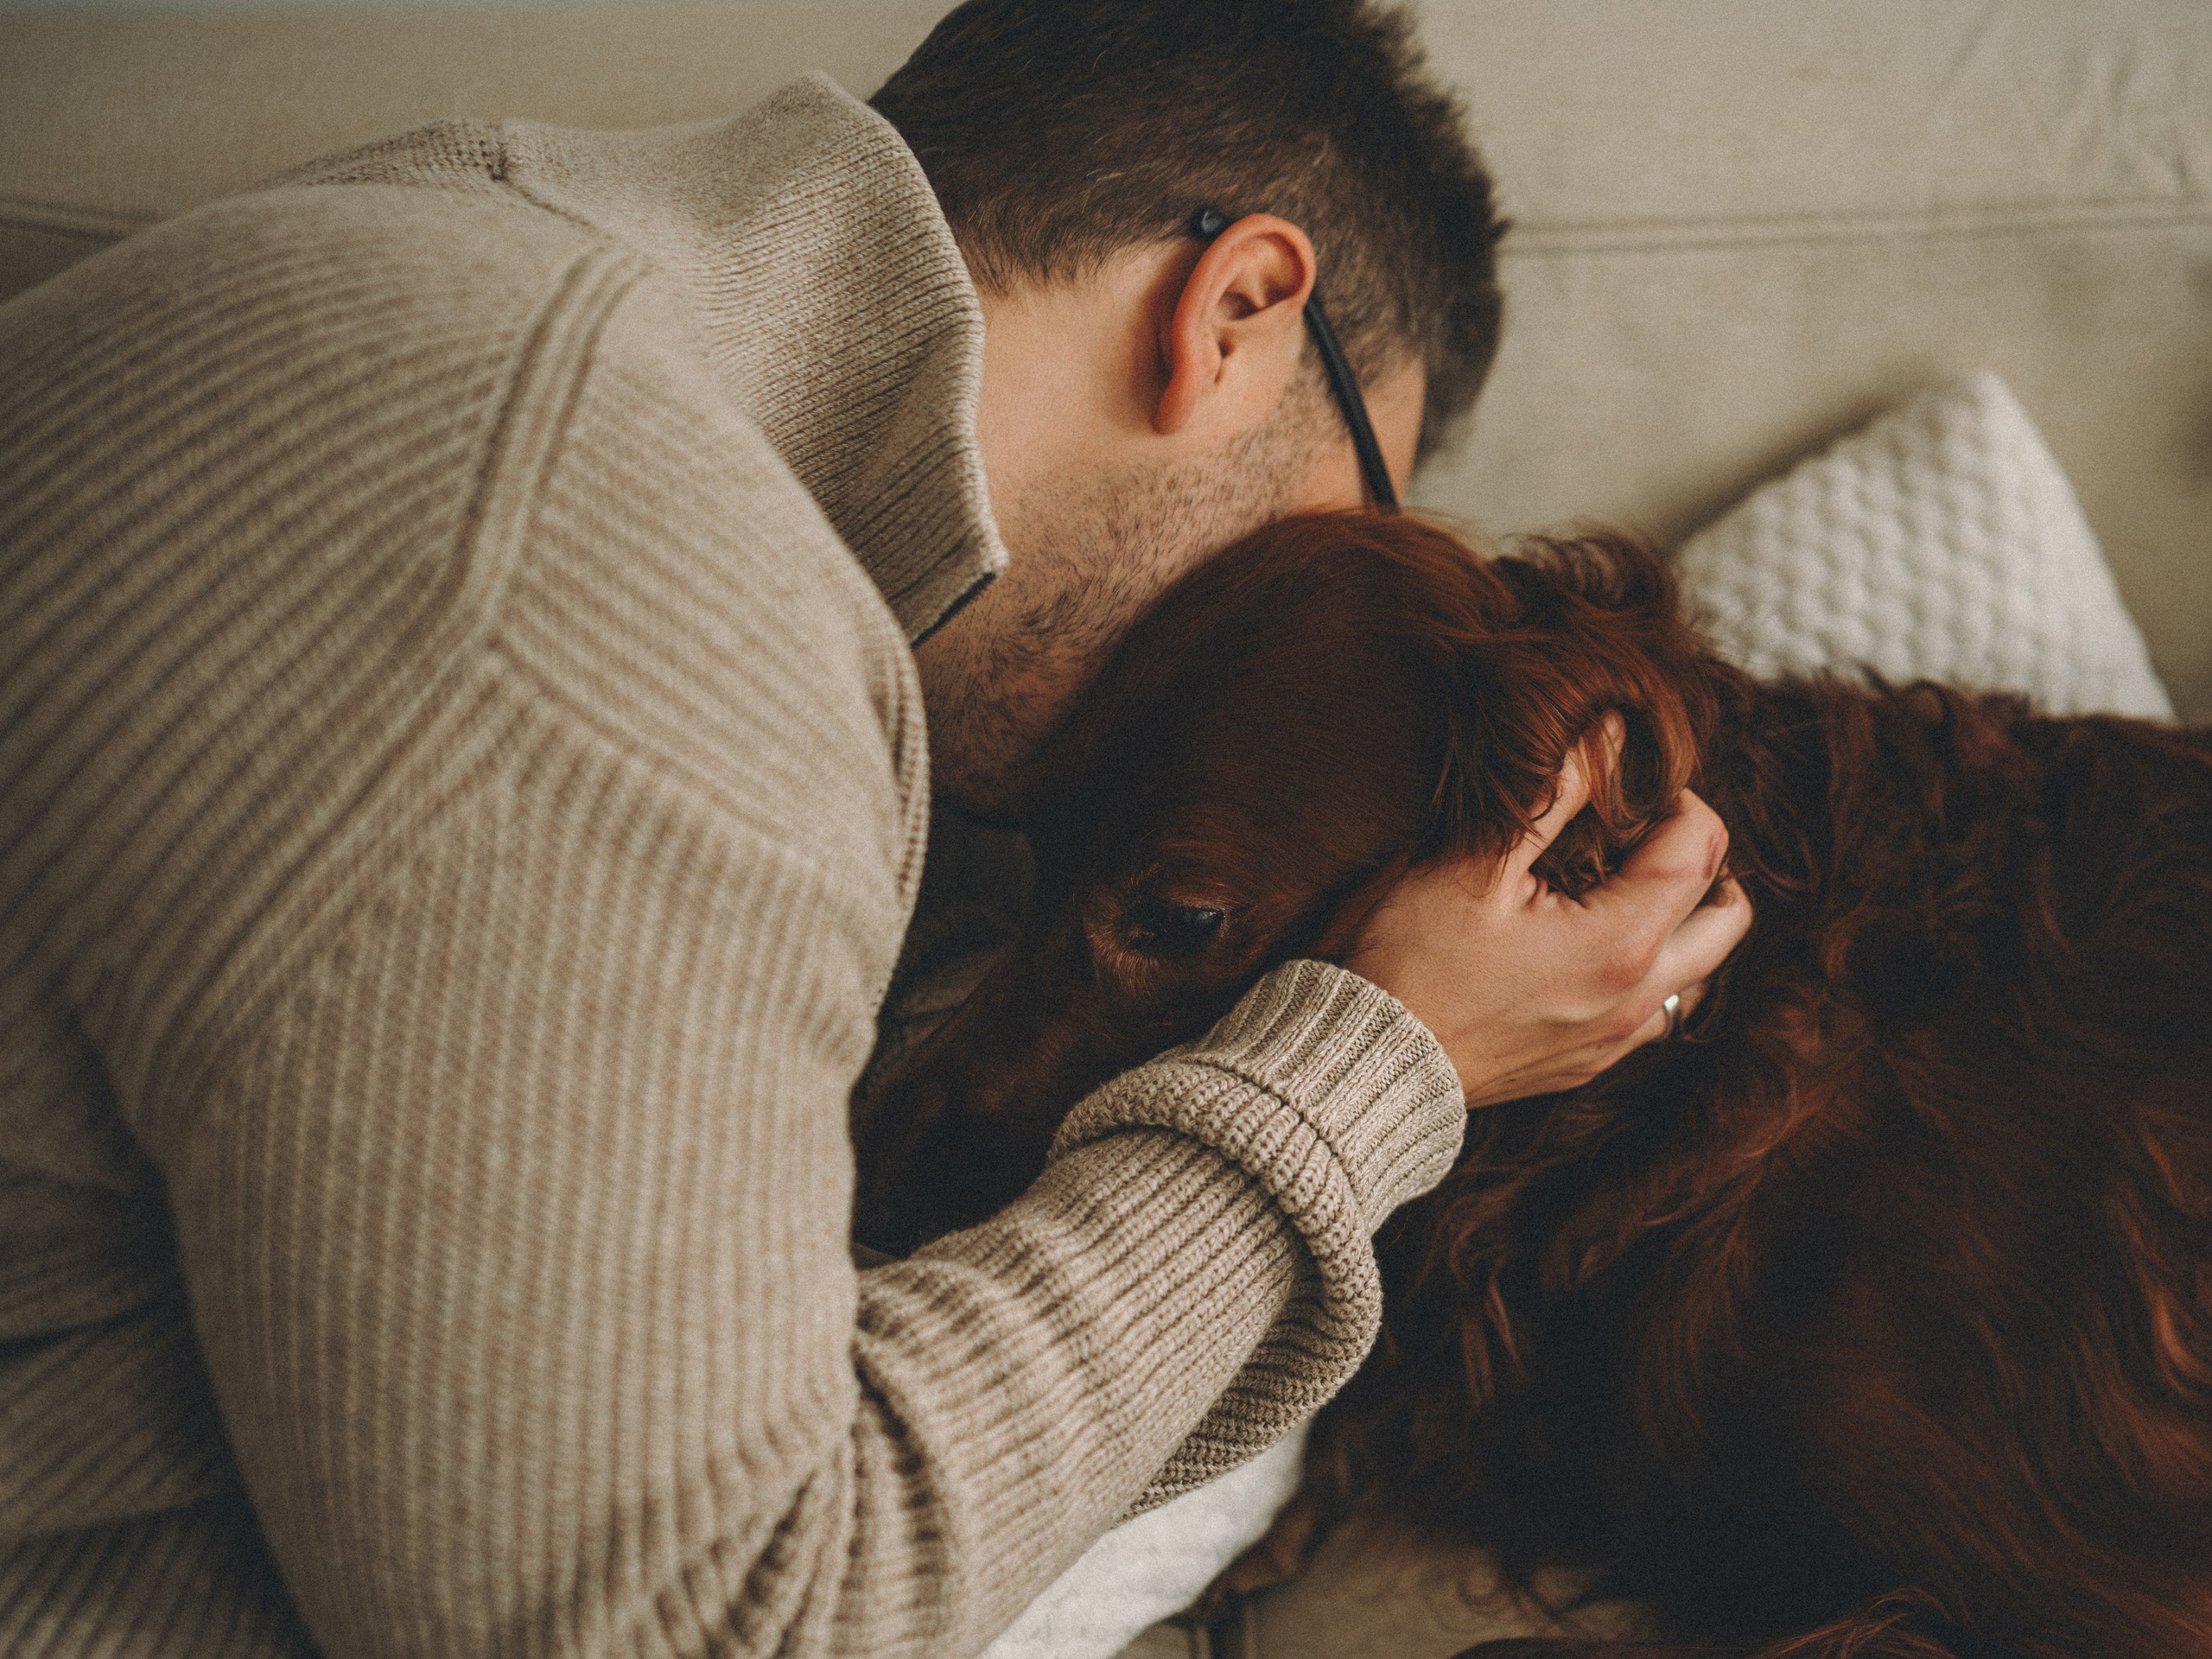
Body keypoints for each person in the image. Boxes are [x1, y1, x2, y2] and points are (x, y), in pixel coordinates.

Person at [0, 1, 1751, 1655]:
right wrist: (1378, 1066)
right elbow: (708, 1621)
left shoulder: (446, 249)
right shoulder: (603, 552)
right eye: (1346, 523)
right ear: (1232, 312)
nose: (1302, 617)